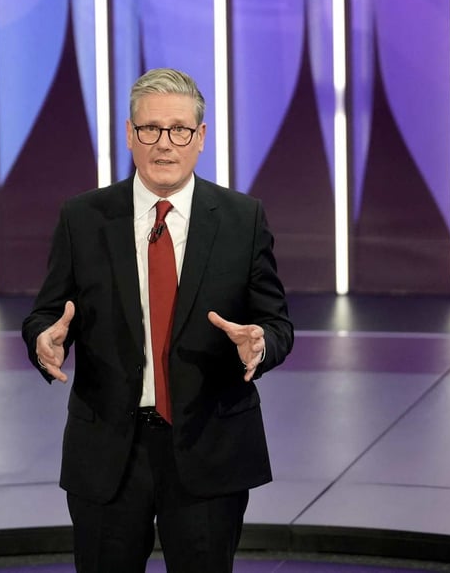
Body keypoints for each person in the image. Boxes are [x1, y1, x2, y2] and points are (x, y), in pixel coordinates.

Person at [22, 68, 294, 573]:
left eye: (179, 130)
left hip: (208, 448)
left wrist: (260, 344)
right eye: (150, 129)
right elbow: (46, 313)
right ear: (129, 134)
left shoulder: (242, 218)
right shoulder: (83, 218)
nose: (163, 144)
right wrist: (44, 340)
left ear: (201, 138)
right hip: (108, 453)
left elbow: (276, 323)